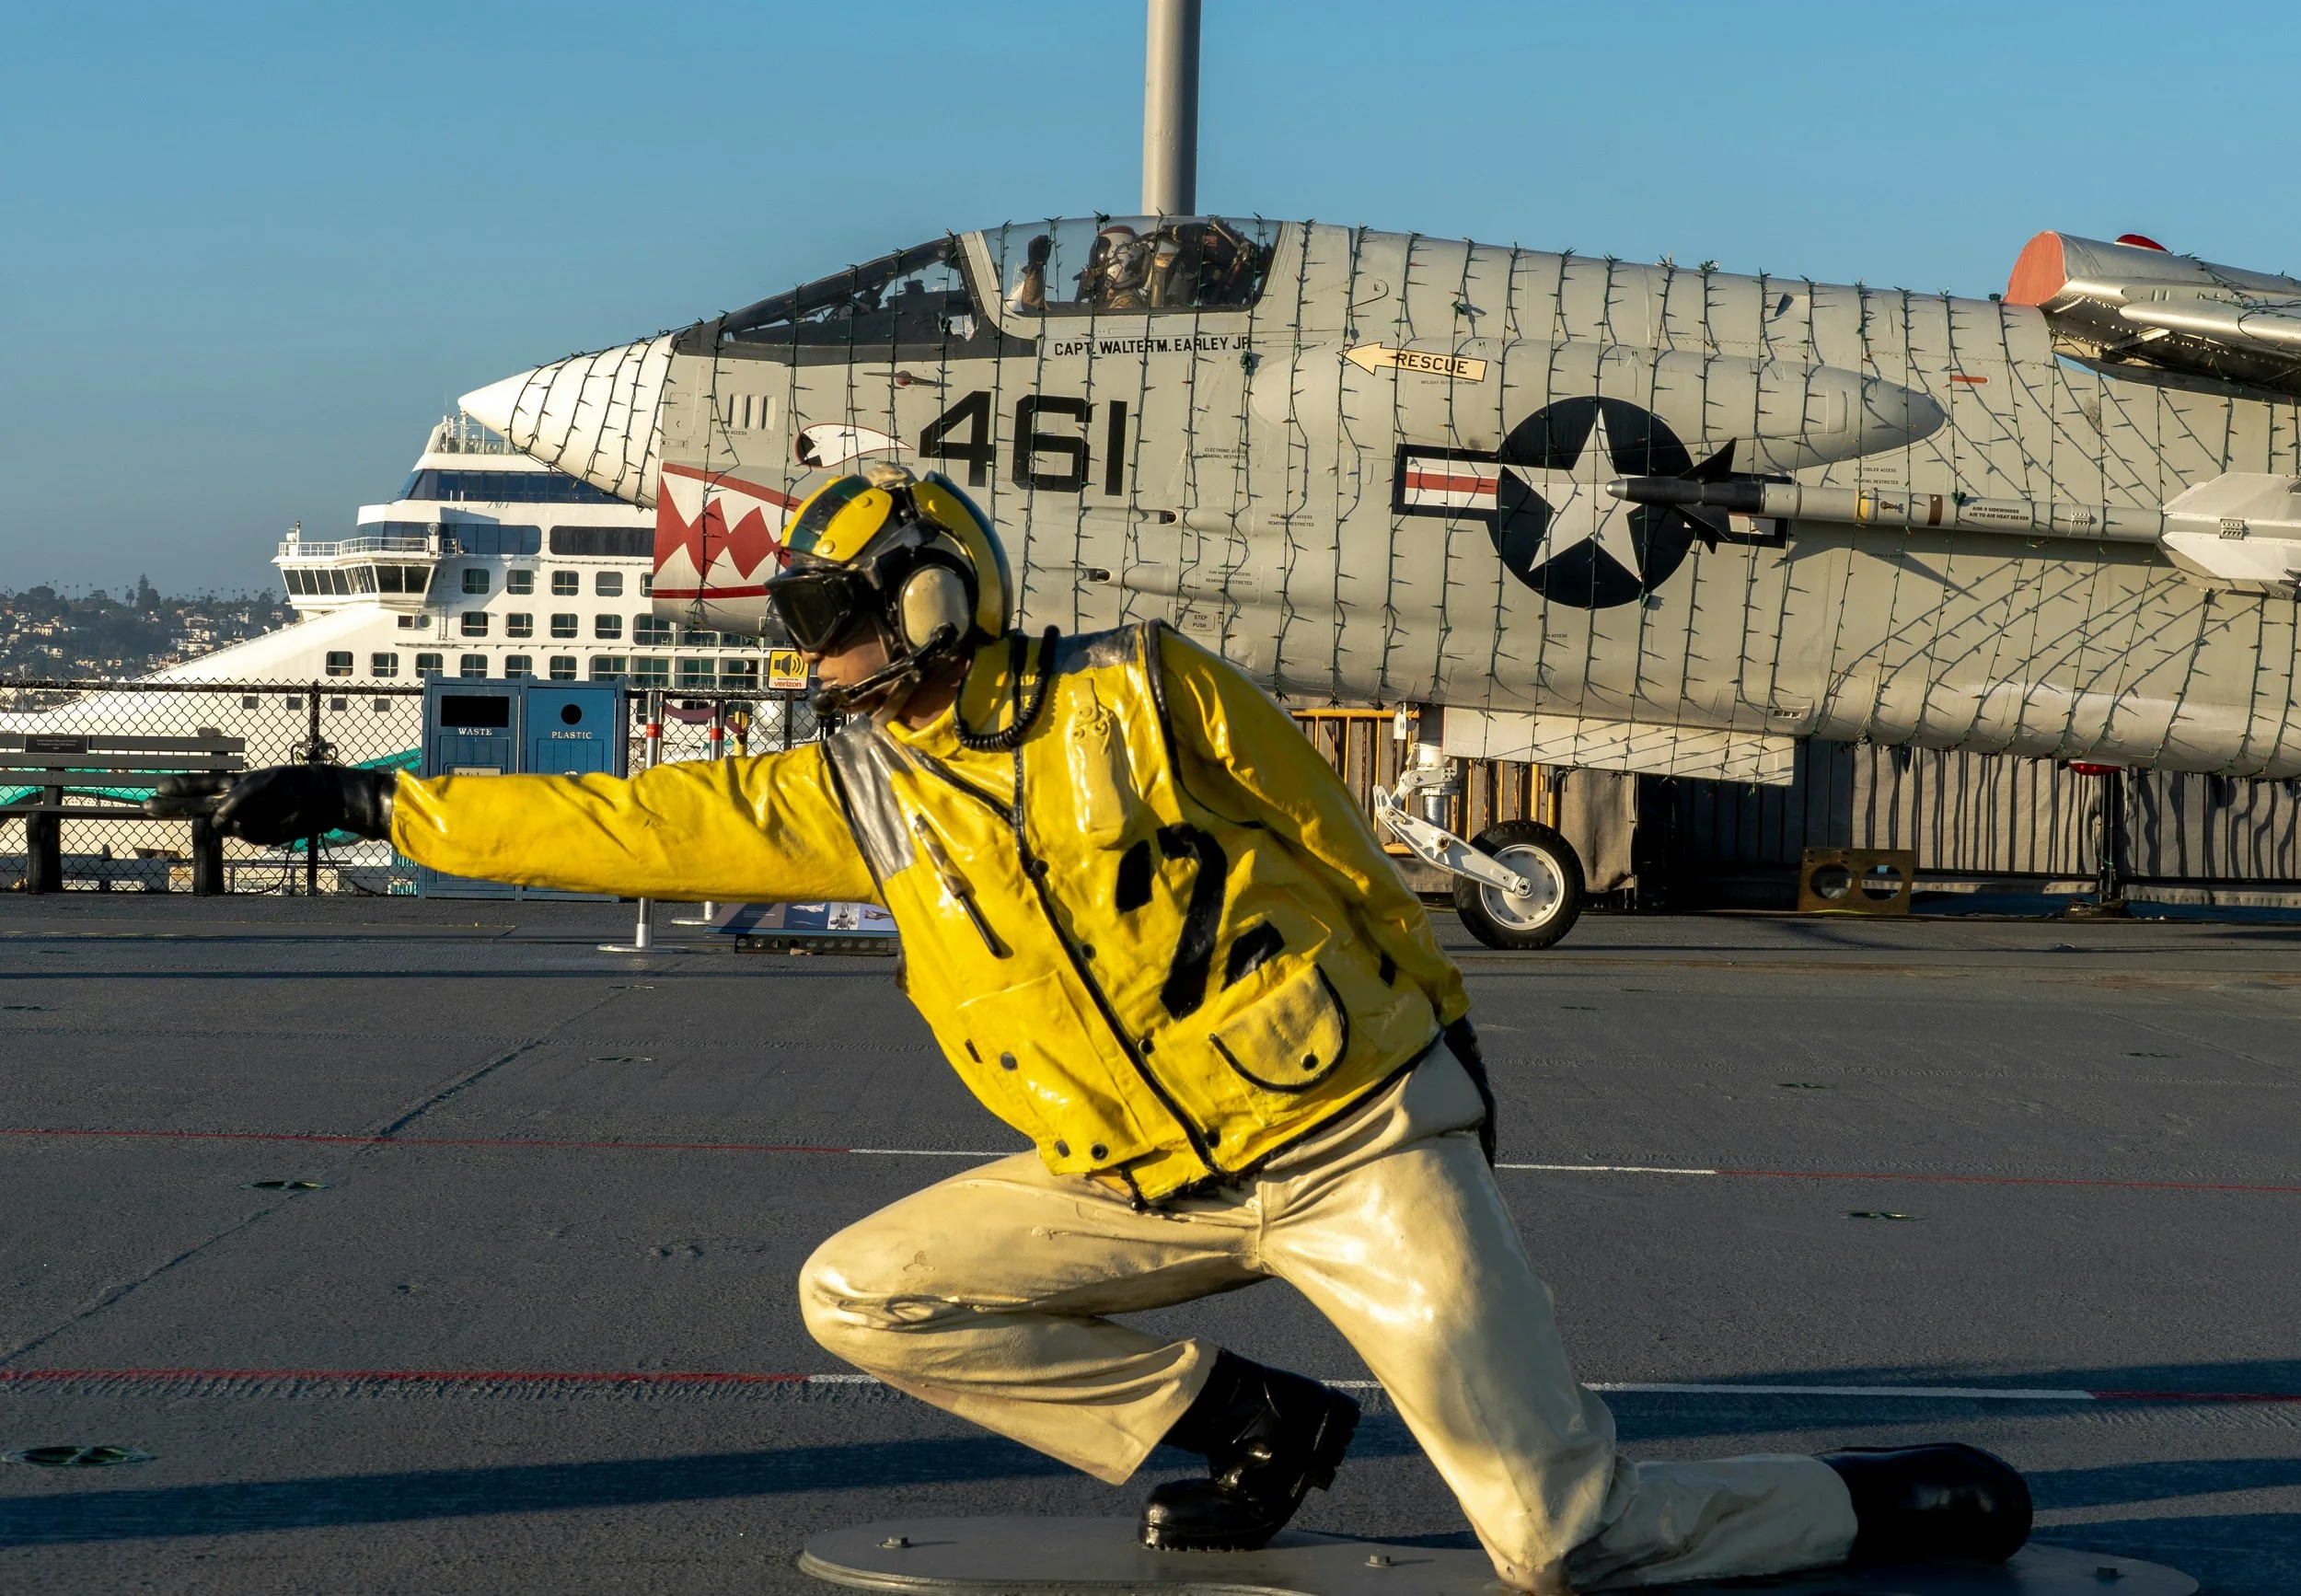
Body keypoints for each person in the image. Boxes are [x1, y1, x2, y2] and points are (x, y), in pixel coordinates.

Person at [156, 466, 2031, 1592]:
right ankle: (1244, 1422)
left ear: (927, 596)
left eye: (828, 615)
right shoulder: (861, 790)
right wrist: (374, 806)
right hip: (1131, 1180)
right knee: (865, 1292)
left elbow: (1338, 847)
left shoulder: (1141, 694)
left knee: (1560, 1542)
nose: (807, 654)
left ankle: (1849, 1505)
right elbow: (624, 823)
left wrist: (1438, 1036)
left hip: (1353, 1145)